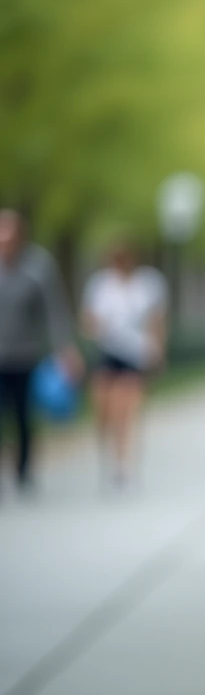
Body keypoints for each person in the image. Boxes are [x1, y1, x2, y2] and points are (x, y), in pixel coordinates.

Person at [0, 208, 83, 497]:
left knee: (22, 415)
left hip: (24, 353)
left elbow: (55, 310)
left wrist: (65, 349)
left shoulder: (38, 265)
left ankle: (23, 471)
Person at [80, 240, 168, 487]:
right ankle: (108, 455)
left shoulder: (147, 284)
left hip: (136, 353)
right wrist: (98, 327)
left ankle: (123, 463)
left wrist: (158, 352)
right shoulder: (100, 285)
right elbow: (88, 320)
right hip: (106, 351)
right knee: (103, 409)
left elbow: (156, 320)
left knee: (126, 411)